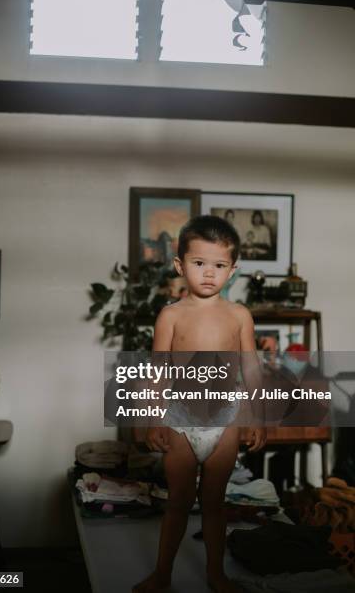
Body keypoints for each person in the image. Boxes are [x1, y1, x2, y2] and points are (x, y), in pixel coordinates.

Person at [133, 215, 267, 593]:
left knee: (214, 503)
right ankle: (162, 575)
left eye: (219, 265)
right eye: (199, 263)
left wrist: (258, 416)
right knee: (177, 502)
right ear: (180, 265)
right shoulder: (171, 315)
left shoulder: (239, 315)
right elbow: (157, 370)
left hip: (225, 421)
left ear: (233, 270)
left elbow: (251, 368)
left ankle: (216, 574)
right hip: (180, 420)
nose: (209, 273)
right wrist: (152, 418)